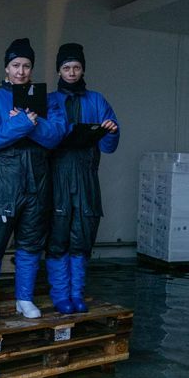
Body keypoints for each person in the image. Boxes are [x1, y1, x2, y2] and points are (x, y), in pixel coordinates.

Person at [0, 38, 66, 319]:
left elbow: (55, 136)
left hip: (37, 181)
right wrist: (25, 122)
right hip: (1, 183)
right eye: (16, 65)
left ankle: (24, 299)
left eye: (26, 66)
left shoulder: (47, 100)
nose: (21, 71)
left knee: (30, 242)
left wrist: (27, 123)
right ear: (6, 68)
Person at [46, 43, 119, 314]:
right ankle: (60, 294)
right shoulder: (50, 100)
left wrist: (111, 131)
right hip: (58, 176)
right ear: (59, 70)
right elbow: (41, 137)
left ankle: (77, 294)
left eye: (76, 67)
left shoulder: (97, 100)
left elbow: (109, 146)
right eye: (66, 67)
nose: (72, 72)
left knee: (83, 235)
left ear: (83, 69)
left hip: (87, 176)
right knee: (58, 235)